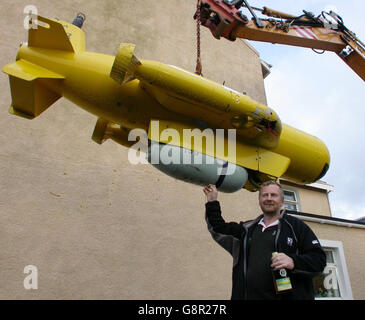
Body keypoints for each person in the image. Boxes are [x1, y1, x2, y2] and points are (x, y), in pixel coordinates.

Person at [203, 180, 326, 300]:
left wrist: (293, 262)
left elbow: (319, 260)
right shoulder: (246, 229)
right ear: (259, 200)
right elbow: (218, 228)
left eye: (273, 195)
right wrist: (212, 201)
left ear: (282, 201)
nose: (268, 198)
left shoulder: (296, 227)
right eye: (265, 195)